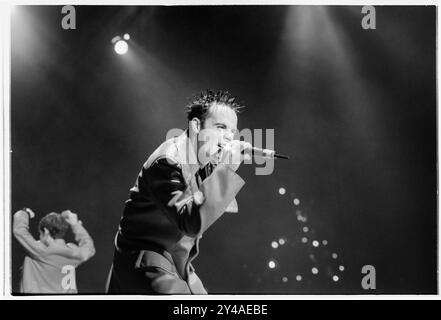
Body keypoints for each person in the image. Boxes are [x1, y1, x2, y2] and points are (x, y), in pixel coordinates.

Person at [106, 90, 251, 294]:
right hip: (146, 263)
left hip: (175, 262)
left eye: (233, 131)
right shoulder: (168, 161)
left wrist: (220, 168)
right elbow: (190, 222)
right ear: (196, 126)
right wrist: (226, 170)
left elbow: (224, 206)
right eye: (221, 127)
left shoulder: (202, 159)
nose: (229, 137)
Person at [13, 208, 96, 294]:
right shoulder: (75, 252)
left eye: (40, 234)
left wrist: (24, 212)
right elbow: (89, 247)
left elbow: (19, 231)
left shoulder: (40, 250)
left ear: (45, 231)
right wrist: (75, 224)